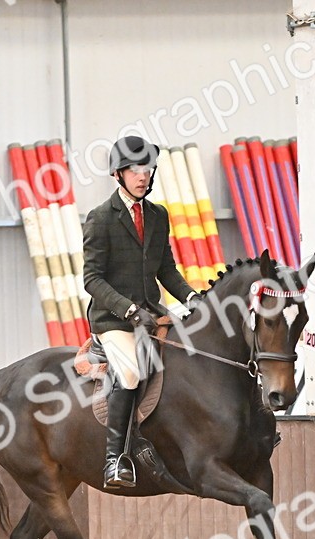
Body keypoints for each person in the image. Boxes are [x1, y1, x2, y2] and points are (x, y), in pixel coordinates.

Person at [83, 136, 201, 489]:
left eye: (148, 169)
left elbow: (166, 269)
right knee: (131, 372)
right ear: (118, 174)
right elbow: (92, 278)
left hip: (152, 313)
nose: (143, 175)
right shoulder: (101, 218)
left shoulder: (157, 215)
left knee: (192, 352)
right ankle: (115, 460)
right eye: (136, 169)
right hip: (113, 319)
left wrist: (193, 297)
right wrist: (129, 309)